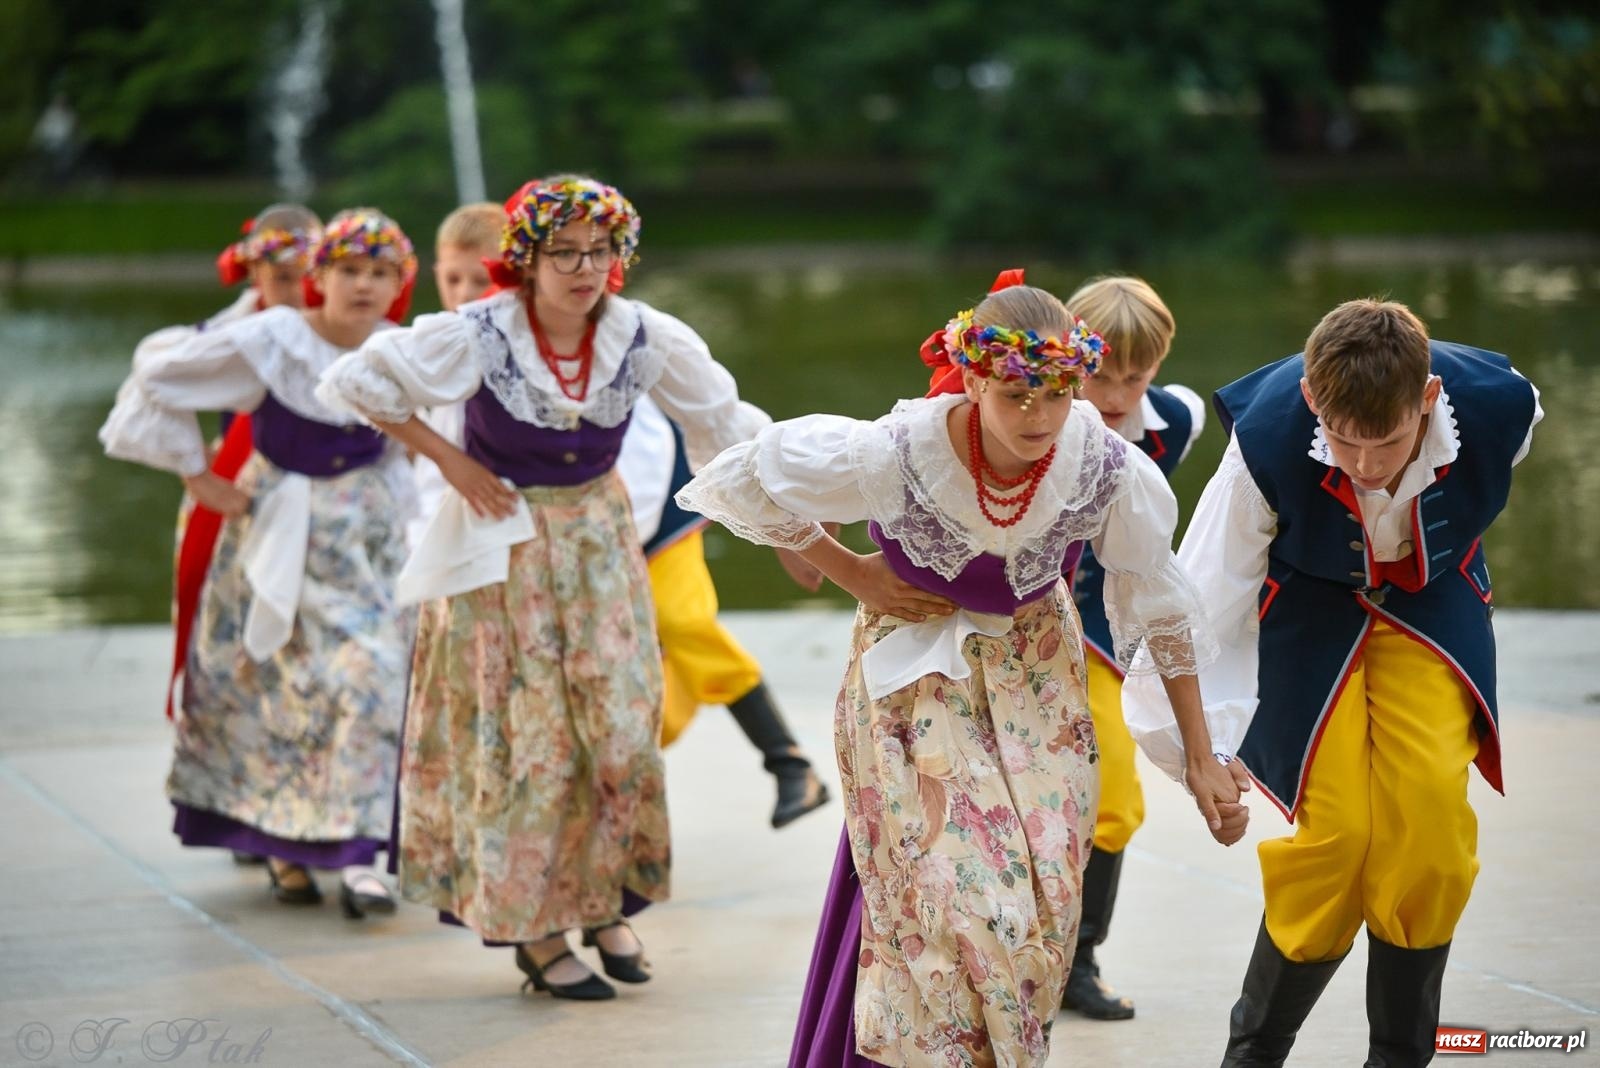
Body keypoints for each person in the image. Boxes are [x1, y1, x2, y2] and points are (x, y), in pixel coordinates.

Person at [678, 272, 1245, 1066]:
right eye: (1015, 395)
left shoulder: (1108, 469)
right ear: (975, 377)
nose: (1037, 416)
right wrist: (853, 571)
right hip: (914, 682)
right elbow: (745, 475)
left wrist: (1202, 756)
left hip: (1039, 677)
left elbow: (1158, 606)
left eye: (1055, 395)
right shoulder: (897, 450)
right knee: (955, 901)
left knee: (1040, 910)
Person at [316, 174, 771, 1002]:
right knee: (533, 744)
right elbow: (362, 382)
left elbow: (723, 426)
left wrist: (796, 537)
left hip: (599, 545)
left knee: (622, 726)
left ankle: (604, 905)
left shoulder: (644, 335)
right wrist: (449, 457)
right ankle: (537, 928)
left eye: (599, 251)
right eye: (564, 252)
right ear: (525, 260)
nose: (584, 268)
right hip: (505, 551)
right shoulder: (479, 333)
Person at [1122, 299, 1542, 1066]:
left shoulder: (1503, 407)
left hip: (1432, 607)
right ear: (1315, 400)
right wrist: (1197, 751)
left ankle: (1399, 1056)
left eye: (1386, 443)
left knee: (1429, 839)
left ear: (1428, 400)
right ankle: (1252, 1055)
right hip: (1311, 617)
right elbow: (1200, 596)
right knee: (1339, 836)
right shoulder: (1267, 444)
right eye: (1344, 442)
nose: (1366, 465)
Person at [99, 208, 421, 919]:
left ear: (400, 282)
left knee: (374, 678)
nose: (365, 286)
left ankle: (362, 853)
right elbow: (160, 376)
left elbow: (432, 435)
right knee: (282, 686)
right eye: (349, 270)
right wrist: (196, 474)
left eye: (381, 272)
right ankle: (286, 846)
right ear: (320, 277)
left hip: (364, 540)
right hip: (278, 525)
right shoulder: (277, 338)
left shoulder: (400, 347)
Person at [1060, 275, 1205, 1020]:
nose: (1115, 392)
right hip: (1009, 633)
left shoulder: (1176, 420)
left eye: (1135, 376)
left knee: (1113, 800)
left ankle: (1078, 961)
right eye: (1099, 373)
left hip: (1105, 642)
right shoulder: (1030, 410)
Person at [616, 394, 831, 828]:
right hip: (560, 528)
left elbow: (723, 411)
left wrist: (783, 522)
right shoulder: (481, 342)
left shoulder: (635, 330)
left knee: (684, 620)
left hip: (657, 514)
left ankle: (788, 761)